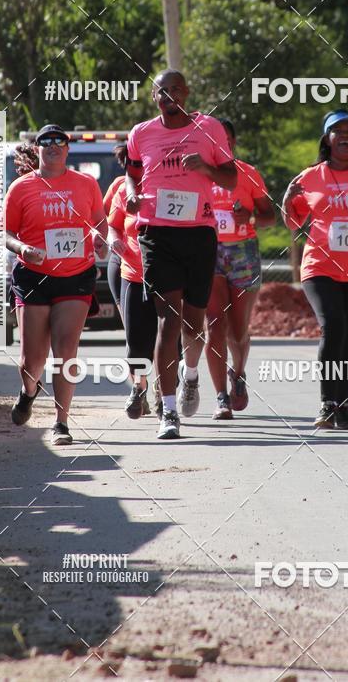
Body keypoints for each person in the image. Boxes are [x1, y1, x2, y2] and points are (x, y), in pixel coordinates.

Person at [126, 70, 237, 440]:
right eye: (162, 90)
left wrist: (204, 168)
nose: (169, 95)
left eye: (175, 89)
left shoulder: (210, 129)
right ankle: (168, 410)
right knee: (167, 320)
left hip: (199, 233)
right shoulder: (141, 134)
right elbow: (133, 173)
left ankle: (191, 376)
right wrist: (131, 192)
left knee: (193, 323)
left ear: (187, 93)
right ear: (153, 97)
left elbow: (231, 179)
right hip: (156, 232)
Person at [281, 110, 348, 431]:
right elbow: (292, 222)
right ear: (327, 139)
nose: (345, 135)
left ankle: (343, 406)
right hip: (320, 265)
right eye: (338, 131)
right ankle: (327, 403)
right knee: (334, 327)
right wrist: (287, 201)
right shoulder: (309, 176)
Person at [4, 124, 107, 445]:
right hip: (33, 276)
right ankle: (28, 391)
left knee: (66, 351)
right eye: (45, 141)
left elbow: (99, 222)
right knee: (30, 360)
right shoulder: (21, 188)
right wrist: (23, 249)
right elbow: (6, 234)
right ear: (37, 149)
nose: (52, 145)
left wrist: (100, 239)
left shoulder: (86, 184)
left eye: (59, 141)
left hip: (76, 276)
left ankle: (61, 423)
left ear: (67, 148)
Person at [206, 120, 275, 420]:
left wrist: (249, 216)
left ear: (233, 142)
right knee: (214, 326)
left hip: (243, 252)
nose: (221, 145)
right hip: (207, 253)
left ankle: (239, 373)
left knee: (238, 328)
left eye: (226, 140)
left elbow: (270, 217)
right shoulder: (196, 175)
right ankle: (221, 396)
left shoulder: (248, 173)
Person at [107, 173, 156, 420]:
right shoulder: (119, 185)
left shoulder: (173, 180)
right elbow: (107, 221)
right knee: (135, 335)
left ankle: (165, 389)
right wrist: (112, 240)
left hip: (164, 272)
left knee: (164, 336)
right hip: (126, 265)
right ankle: (139, 388)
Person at [103, 144, 127, 315]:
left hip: (155, 262)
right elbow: (102, 218)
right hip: (121, 260)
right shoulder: (119, 185)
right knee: (131, 329)